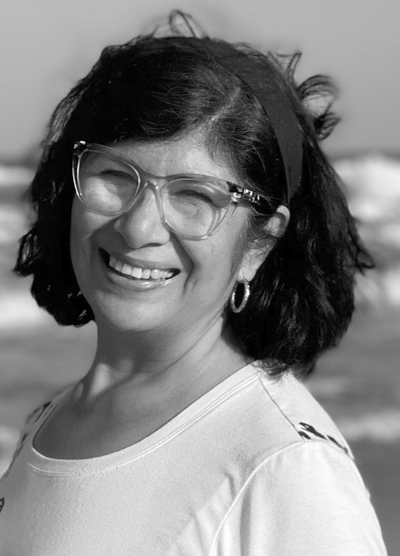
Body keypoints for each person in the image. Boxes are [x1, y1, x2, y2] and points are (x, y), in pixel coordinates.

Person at [0, 10, 387, 555]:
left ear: (259, 243)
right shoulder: (49, 420)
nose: (138, 228)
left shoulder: (284, 467)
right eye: (115, 175)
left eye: (194, 196)